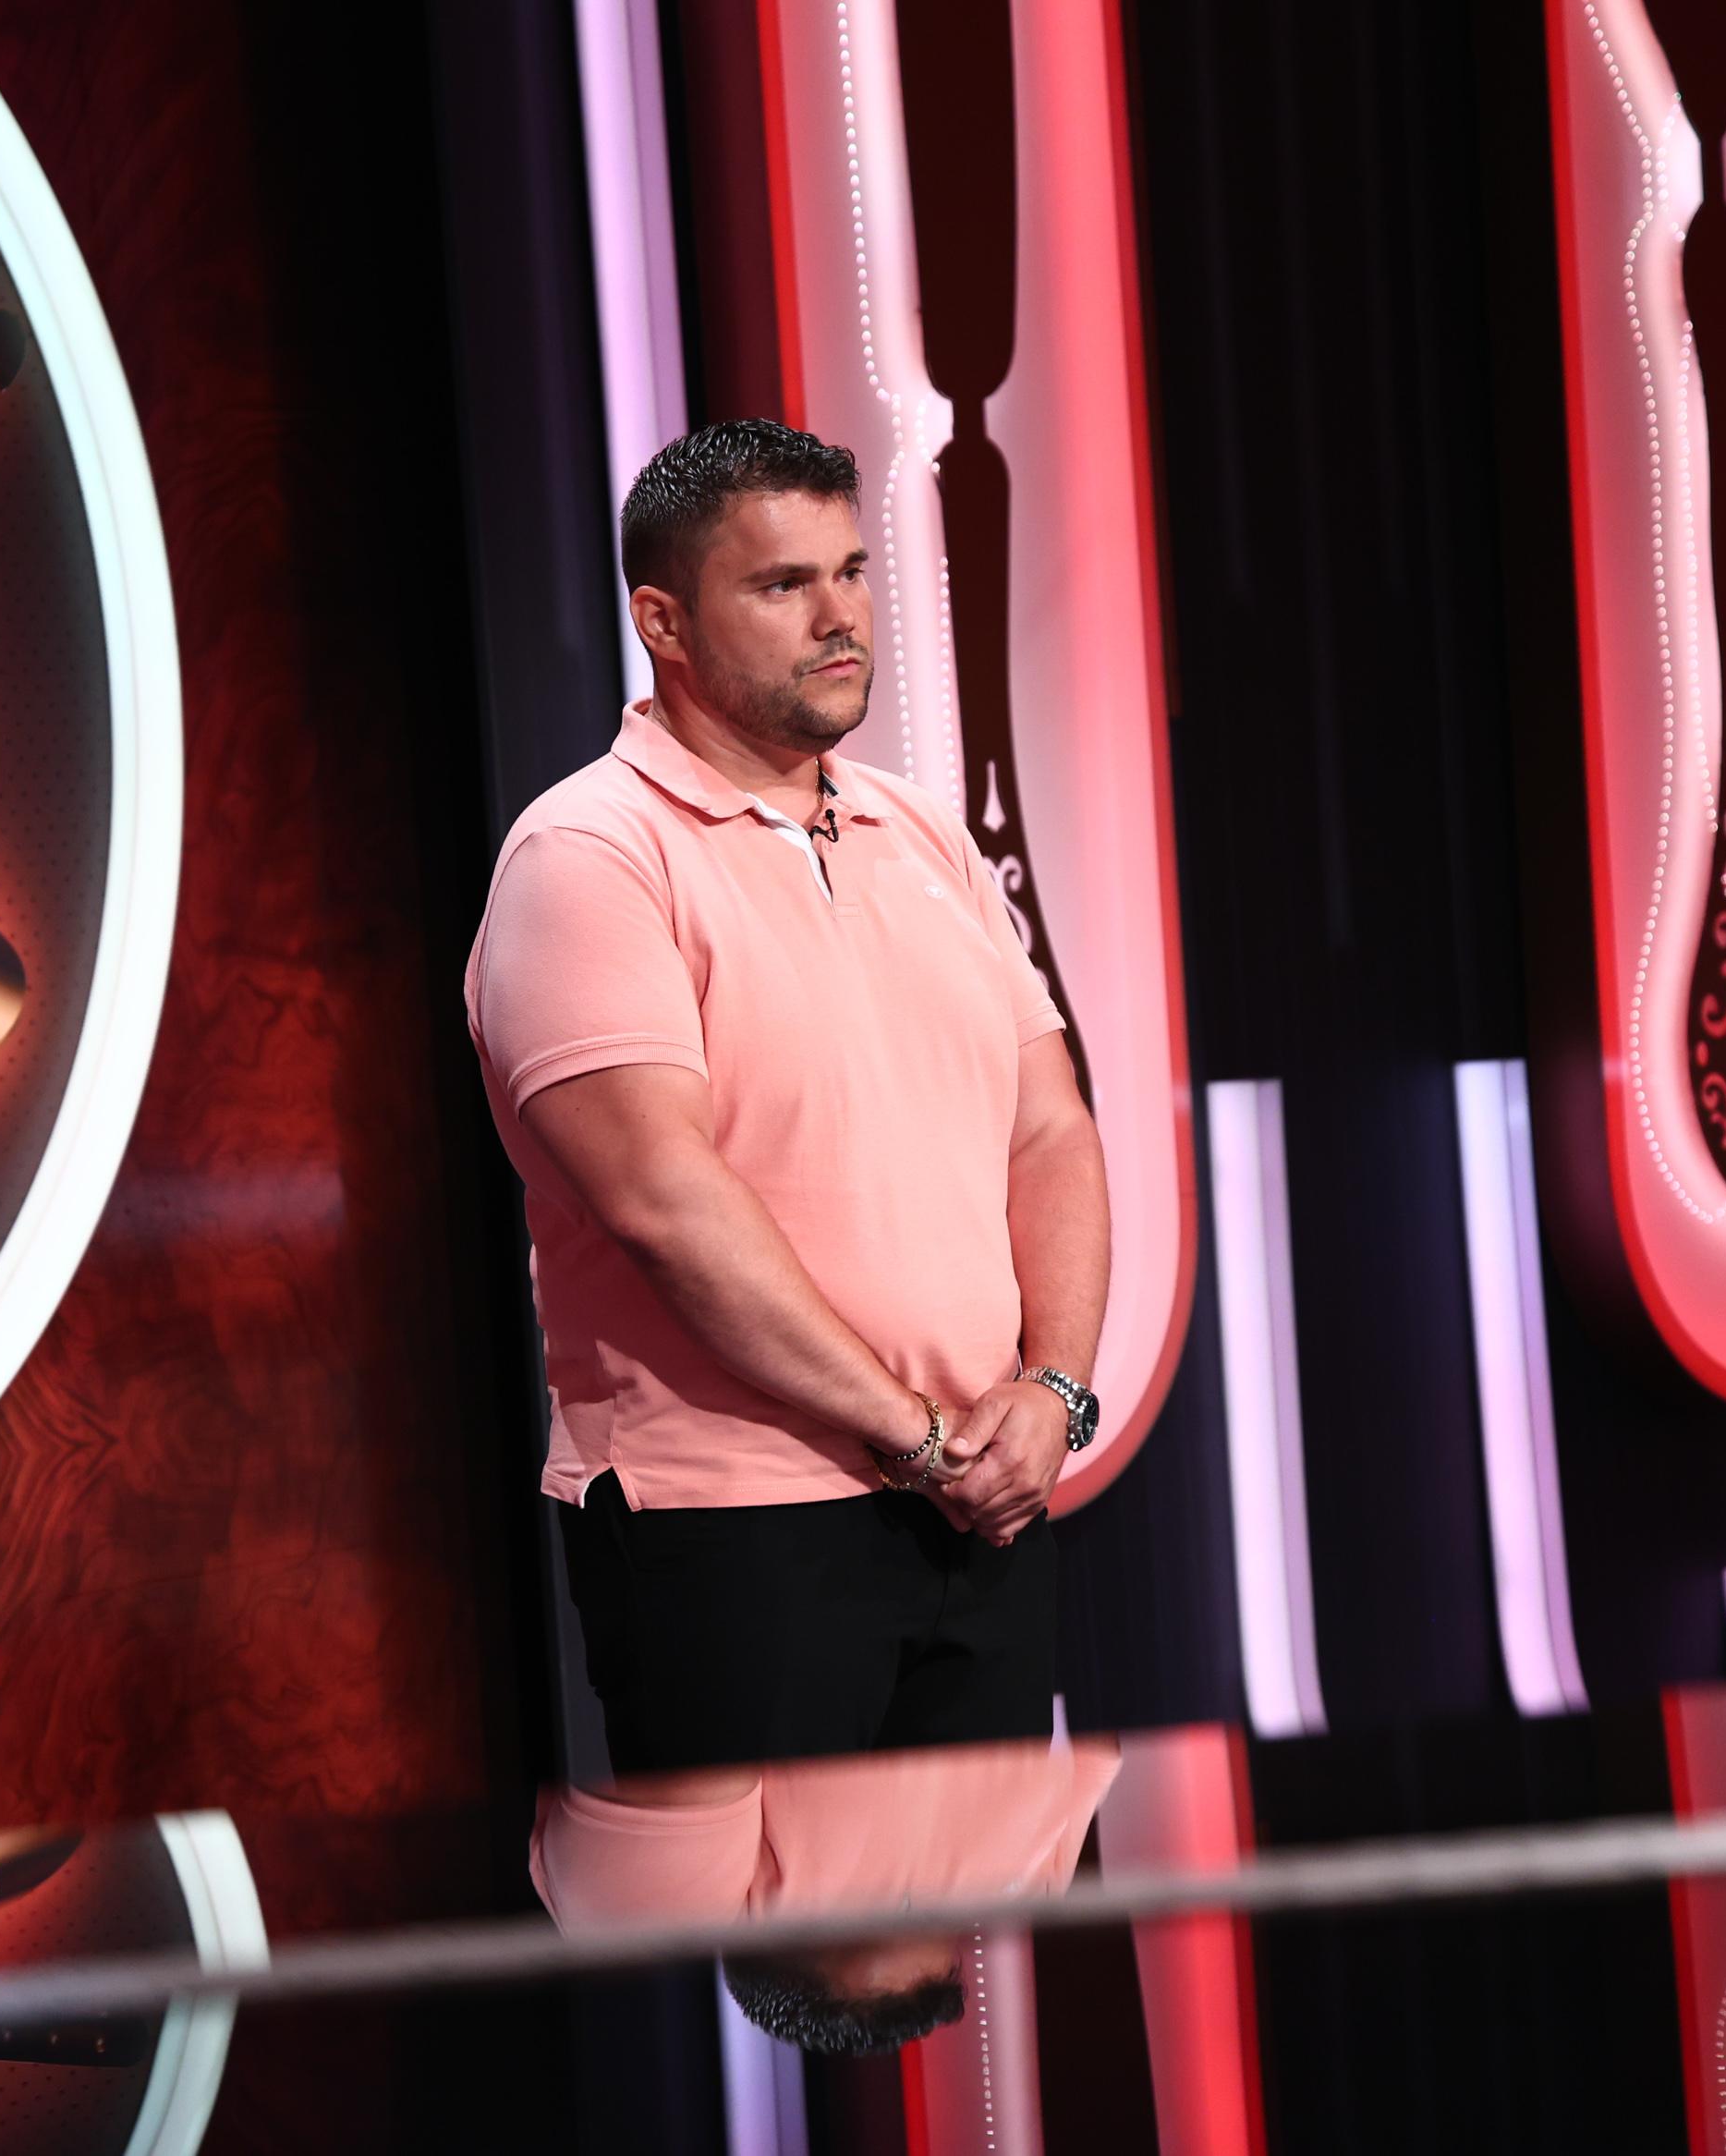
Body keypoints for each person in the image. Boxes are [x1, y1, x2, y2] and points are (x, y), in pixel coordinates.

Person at [464, 419, 1113, 1774]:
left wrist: (1050, 1390)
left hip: (980, 1509)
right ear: (663, 622)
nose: (841, 618)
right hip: (733, 1530)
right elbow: (665, 1203)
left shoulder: (919, 828)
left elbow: (1050, 1125)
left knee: (984, 1908)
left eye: (852, 571)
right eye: (782, 584)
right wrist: (917, 1432)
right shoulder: (586, 855)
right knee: (783, 1913)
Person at [528, 1734, 1124, 2055]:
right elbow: (1097, 1696)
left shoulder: (666, 1911)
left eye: (880, 1900)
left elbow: (700, 1682)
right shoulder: (1035, 1885)